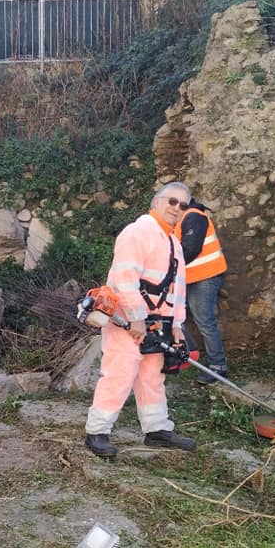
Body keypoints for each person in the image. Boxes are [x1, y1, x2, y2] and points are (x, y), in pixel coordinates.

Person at [84, 182, 197, 458]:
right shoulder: (137, 232)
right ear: (157, 201)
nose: (177, 209)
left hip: (158, 323)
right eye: (172, 201)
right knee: (120, 373)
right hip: (128, 321)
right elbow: (124, 276)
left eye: (183, 205)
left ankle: (157, 429)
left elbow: (178, 288)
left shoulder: (173, 243)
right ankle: (96, 432)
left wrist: (177, 326)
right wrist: (136, 318)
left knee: (152, 375)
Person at [175, 197, 229, 385]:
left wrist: (168, 266)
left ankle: (218, 368)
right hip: (193, 278)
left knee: (205, 321)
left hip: (205, 276)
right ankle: (184, 358)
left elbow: (190, 249)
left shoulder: (193, 217)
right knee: (177, 317)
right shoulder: (185, 218)